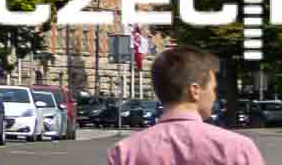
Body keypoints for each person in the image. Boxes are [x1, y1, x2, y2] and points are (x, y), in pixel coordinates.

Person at [109, 47, 262, 165]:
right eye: (213, 89)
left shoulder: (125, 152)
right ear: (194, 90)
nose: (215, 96)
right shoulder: (237, 148)